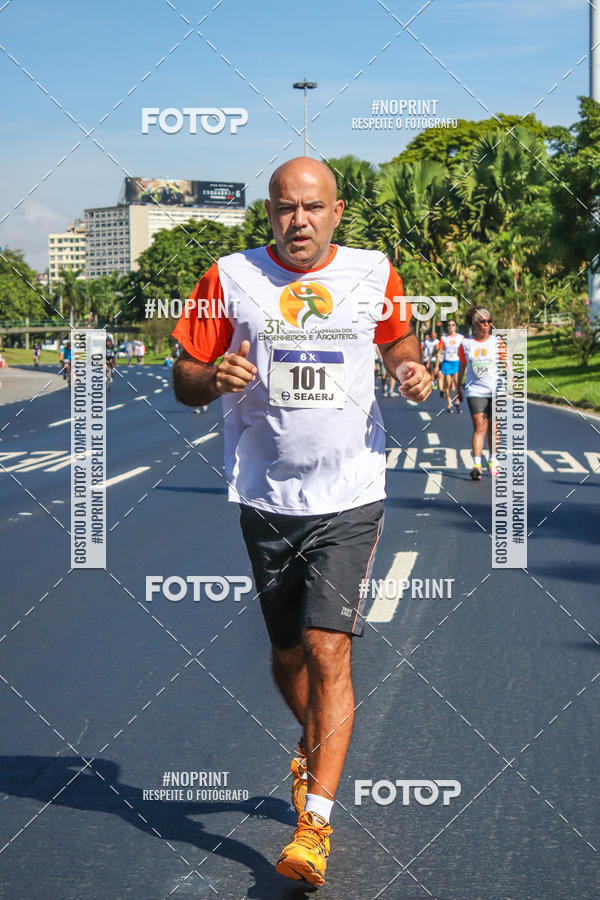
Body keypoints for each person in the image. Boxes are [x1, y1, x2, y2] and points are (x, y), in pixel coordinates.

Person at [171, 157, 431, 887]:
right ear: (269, 212)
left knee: (327, 648)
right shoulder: (229, 278)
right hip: (266, 497)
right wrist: (212, 377)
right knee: (287, 654)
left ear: (336, 211)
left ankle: (314, 824)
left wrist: (408, 367)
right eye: (286, 208)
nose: (299, 221)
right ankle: (311, 746)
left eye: (313, 208)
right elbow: (183, 375)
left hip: (350, 492)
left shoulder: (372, 272)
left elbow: (398, 340)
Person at [457, 306, 500, 480]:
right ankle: (476, 464)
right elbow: (462, 366)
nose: (486, 325)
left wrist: (512, 377)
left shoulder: (497, 342)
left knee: (493, 428)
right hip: (475, 391)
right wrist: (457, 387)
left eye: (489, 321)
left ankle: (493, 460)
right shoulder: (466, 344)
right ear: (475, 324)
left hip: (495, 390)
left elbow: (507, 361)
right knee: (479, 426)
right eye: (483, 321)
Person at [434, 319, 464, 412]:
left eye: (453, 325)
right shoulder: (444, 338)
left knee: (457, 383)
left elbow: (464, 351)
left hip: (456, 362)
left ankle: (457, 402)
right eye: (449, 325)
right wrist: (437, 366)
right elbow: (439, 352)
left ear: (456, 327)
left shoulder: (461, 337)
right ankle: (449, 404)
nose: (451, 327)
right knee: (448, 384)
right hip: (447, 362)